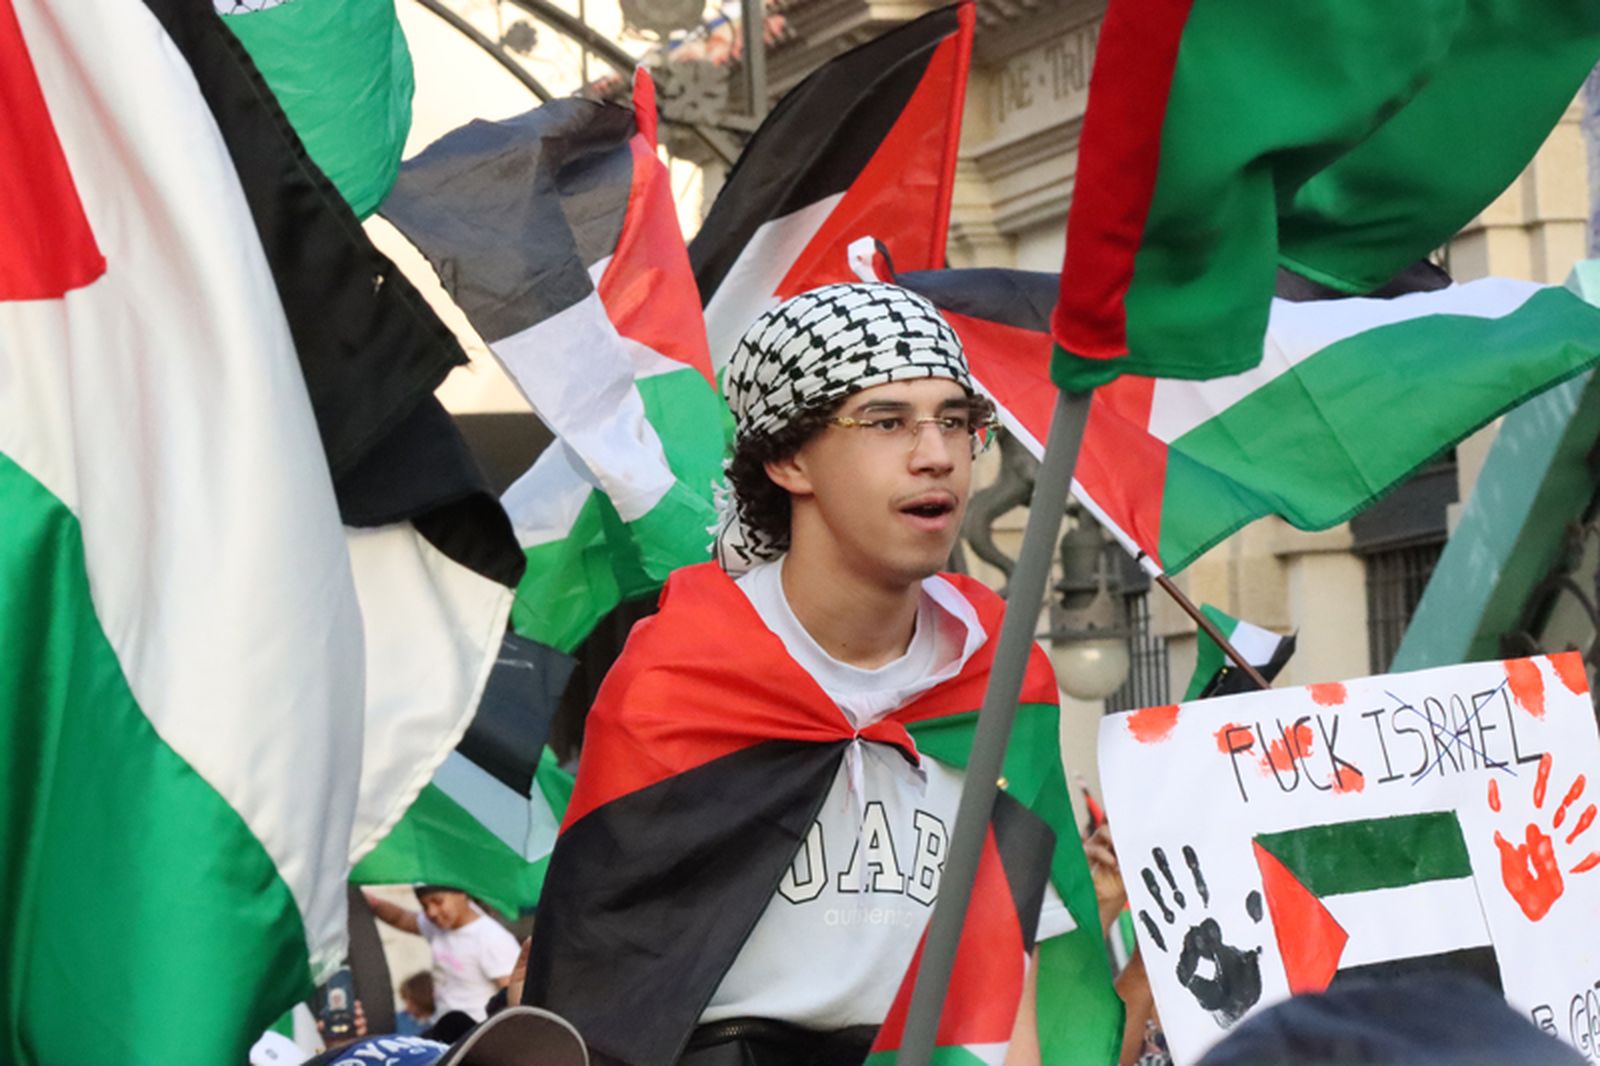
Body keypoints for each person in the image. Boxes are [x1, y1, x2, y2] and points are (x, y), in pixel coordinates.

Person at [524, 283, 1108, 1065]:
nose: (937, 454)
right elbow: (597, 993)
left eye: (957, 421)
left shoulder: (998, 679)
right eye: (886, 420)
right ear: (789, 457)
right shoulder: (677, 679)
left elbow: (1013, 987)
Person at [366, 885, 521, 1023]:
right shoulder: (437, 926)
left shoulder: (492, 938)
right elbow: (400, 918)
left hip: (474, 1033)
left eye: (438, 901)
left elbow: (511, 997)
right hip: (444, 1028)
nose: (432, 912)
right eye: (424, 906)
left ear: (462, 894)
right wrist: (372, 902)